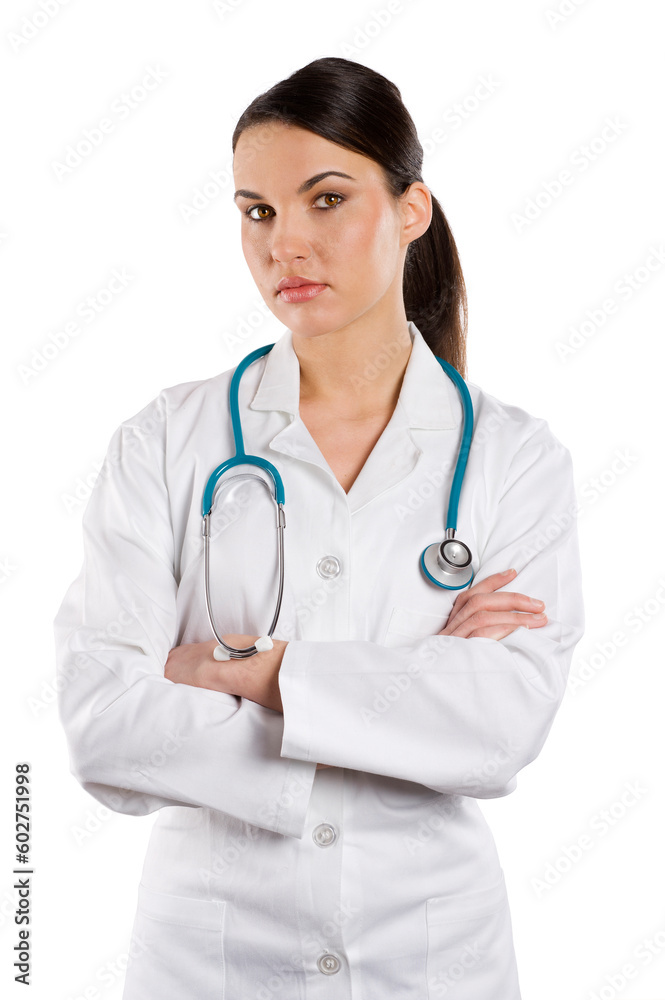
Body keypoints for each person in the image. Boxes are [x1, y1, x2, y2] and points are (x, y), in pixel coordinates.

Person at [53, 56, 585, 999]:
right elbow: (105, 725)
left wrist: (250, 673)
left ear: (410, 209)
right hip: (208, 959)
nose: (283, 243)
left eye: (325, 199)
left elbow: (501, 726)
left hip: (429, 953)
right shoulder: (166, 441)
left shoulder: (513, 456)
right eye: (256, 211)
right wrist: (406, 695)